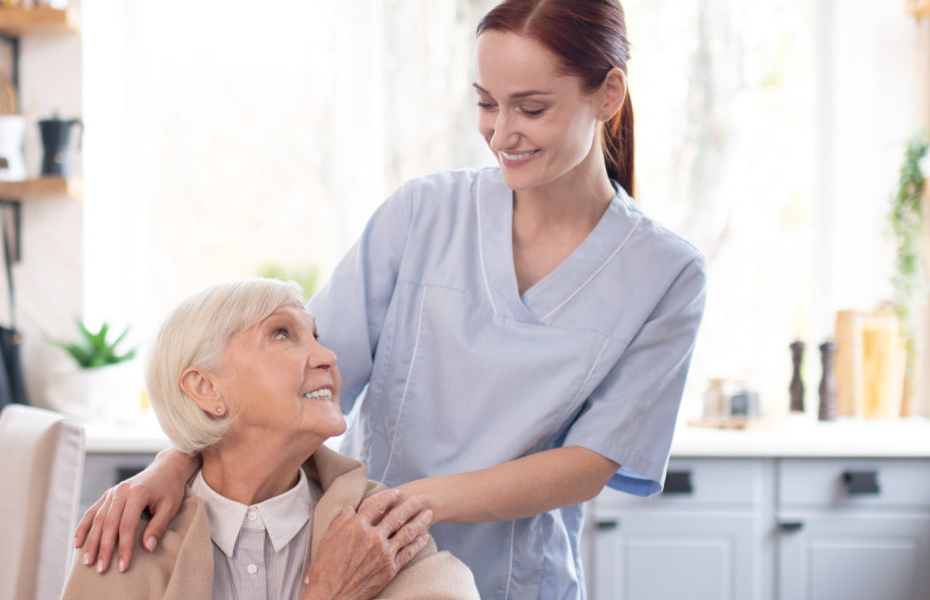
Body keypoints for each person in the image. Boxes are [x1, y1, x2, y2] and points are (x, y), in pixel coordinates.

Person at [76, 1, 707, 598]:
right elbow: (303, 381)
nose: (501, 132)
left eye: (532, 108)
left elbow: (589, 463)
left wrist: (412, 503)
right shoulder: (423, 214)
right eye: (487, 104)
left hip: (514, 579)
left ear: (609, 95)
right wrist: (175, 462)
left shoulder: (666, 274)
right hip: (367, 567)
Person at [62, 278, 478, 600]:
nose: (327, 357)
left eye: (317, 337)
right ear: (206, 388)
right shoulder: (122, 544)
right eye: (281, 334)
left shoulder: (378, 536)